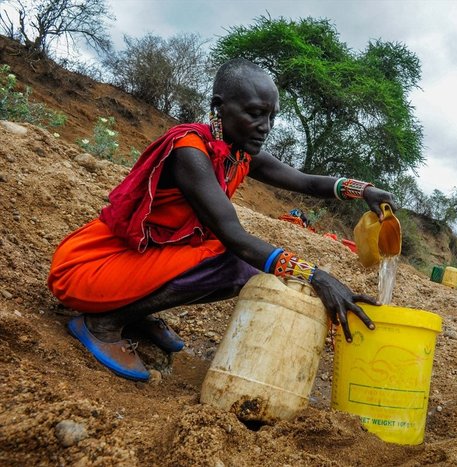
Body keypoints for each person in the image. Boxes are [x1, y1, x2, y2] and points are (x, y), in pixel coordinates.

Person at [47, 58, 396, 382]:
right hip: (88, 267)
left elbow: (303, 180)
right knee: (233, 265)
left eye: (271, 116)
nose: (266, 127)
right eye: (255, 114)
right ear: (219, 106)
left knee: (237, 267)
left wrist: (363, 189)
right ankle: (103, 322)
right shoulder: (190, 150)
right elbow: (233, 235)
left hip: (135, 261)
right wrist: (316, 276)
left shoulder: (239, 151)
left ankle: (133, 313)